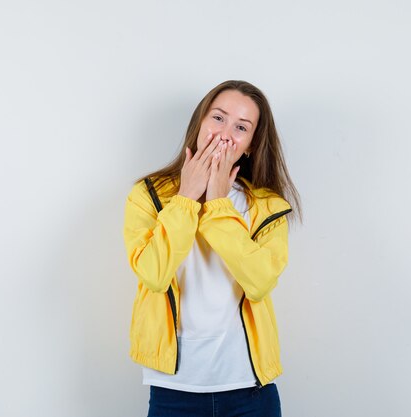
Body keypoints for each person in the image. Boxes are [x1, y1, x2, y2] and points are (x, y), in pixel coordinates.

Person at [122, 80, 302, 417]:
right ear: (199, 124)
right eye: (218, 118)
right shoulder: (148, 196)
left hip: (250, 390)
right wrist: (187, 199)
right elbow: (153, 275)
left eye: (241, 127)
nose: (224, 134)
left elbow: (260, 282)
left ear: (250, 145)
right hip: (174, 389)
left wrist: (219, 204)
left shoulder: (267, 207)